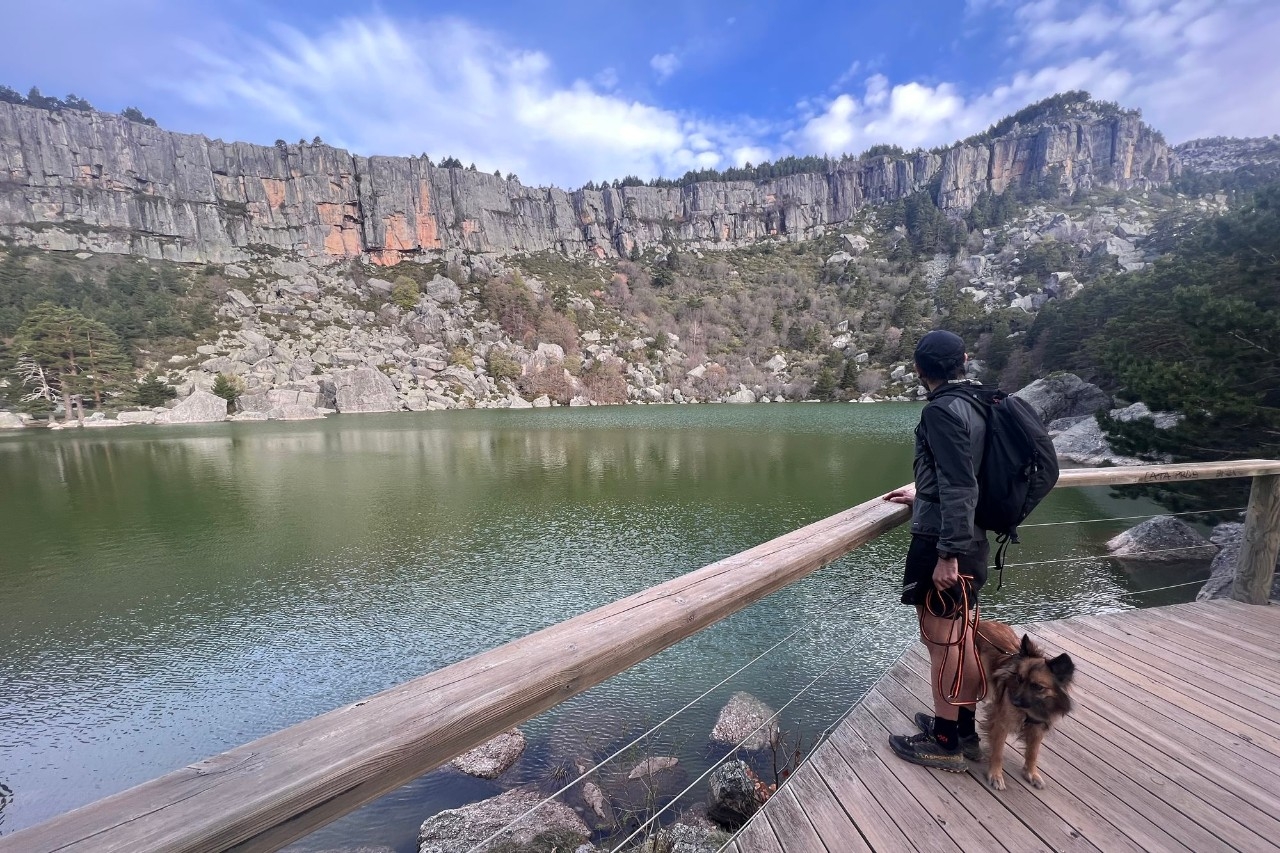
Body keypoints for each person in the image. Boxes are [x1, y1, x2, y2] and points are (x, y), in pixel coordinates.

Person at [883, 329, 989, 772]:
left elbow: (960, 483)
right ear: (964, 360)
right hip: (974, 536)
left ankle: (944, 742)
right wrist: (921, 497)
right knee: (959, 637)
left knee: (942, 643)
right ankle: (963, 728)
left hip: (945, 546)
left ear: (919, 370)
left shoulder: (942, 412)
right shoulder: (980, 402)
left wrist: (947, 554)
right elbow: (961, 476)